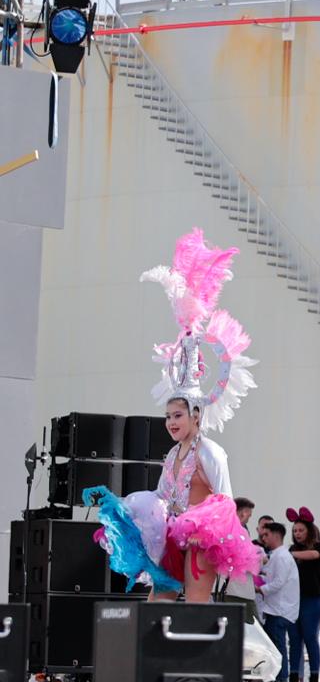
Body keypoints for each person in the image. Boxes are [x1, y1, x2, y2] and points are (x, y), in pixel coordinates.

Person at [90, 228, 259, 605]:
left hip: (202, 537)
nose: (171, 422)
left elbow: (226, 500)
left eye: (178, 414)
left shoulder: (210, 452)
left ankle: (203, 657)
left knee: (198, 599)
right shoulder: (173, 455)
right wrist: (126, 508)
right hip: (172, 531)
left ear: (196, 414)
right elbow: (161, 496)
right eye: (168, 415)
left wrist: (203, 529)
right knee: (160, 595)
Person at [286, 509, 320, 682]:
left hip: (311, 600)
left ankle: (314, 680)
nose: (297, 534)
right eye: (295, 531)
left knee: (310, 637)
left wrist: (291, 555)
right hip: (294, 600)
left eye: (300, 530)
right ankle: (293, 679)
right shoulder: (291, 550)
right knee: (294, 640)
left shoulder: (317, 547)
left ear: (309, 531)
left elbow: (314, 556)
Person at [258, 523, 298, 682]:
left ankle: (281, 680)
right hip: (276, 608)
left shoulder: (281, 557)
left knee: (277, 646)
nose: (263, 538)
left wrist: (260, 588)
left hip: (280, 610)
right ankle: (276, 679)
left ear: (276, 535)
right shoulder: (277, 556)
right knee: (273, 645)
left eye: (266, 535)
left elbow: (278, 582)